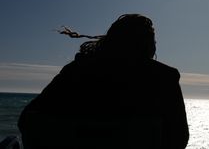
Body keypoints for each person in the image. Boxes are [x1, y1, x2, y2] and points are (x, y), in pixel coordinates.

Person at [18, 14, 189, 149]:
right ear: (150, 46)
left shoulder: (77, 70)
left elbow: (27, 120)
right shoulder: (165, 77)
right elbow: (179, 139)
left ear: (110, 40)